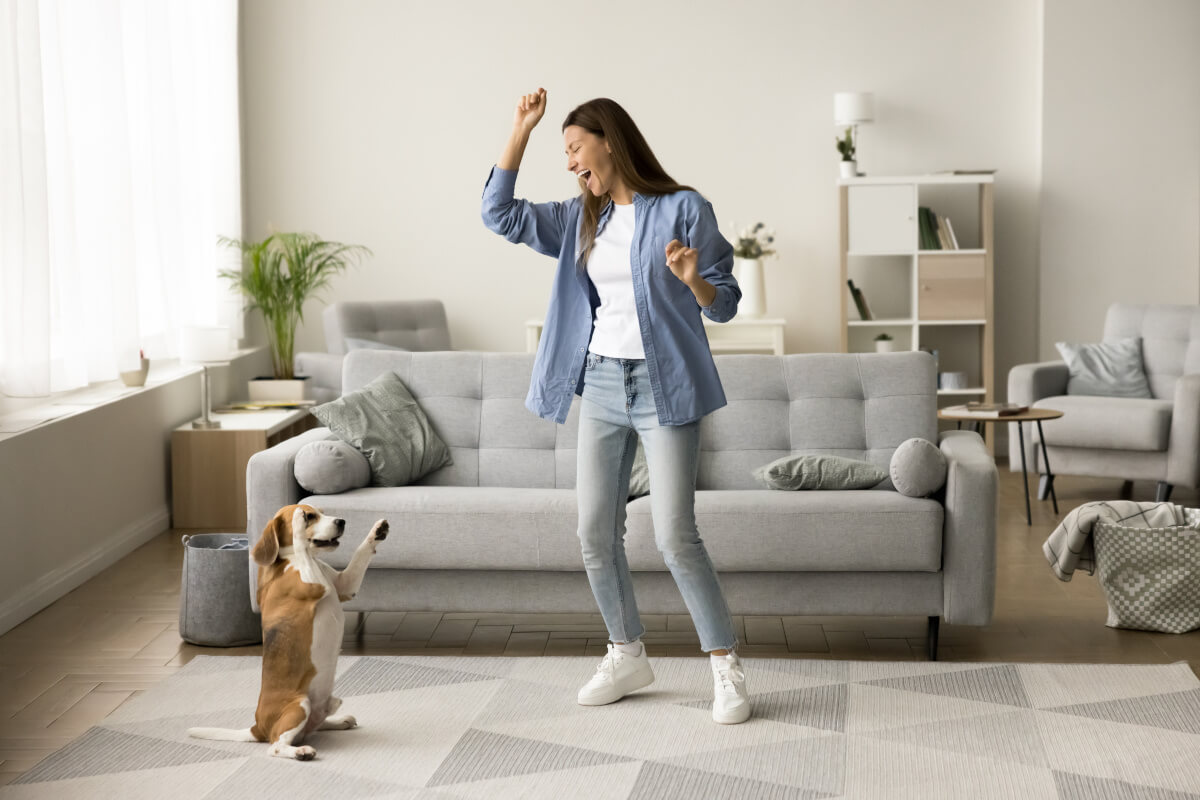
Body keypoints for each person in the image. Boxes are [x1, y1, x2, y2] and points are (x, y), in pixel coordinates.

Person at [480, 88, 750, 725]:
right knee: (595, 532)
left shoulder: (685, 208)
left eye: (575, 147)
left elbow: (728, 301)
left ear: (609, 140)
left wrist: (694, 280)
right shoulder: (580, 219)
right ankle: (626, 653)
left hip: (667, 388)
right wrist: (520, 128)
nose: (571, 161)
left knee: (675, 535)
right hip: (600, 384)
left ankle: (725, 668)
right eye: (566, 153)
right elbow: (500, 214)